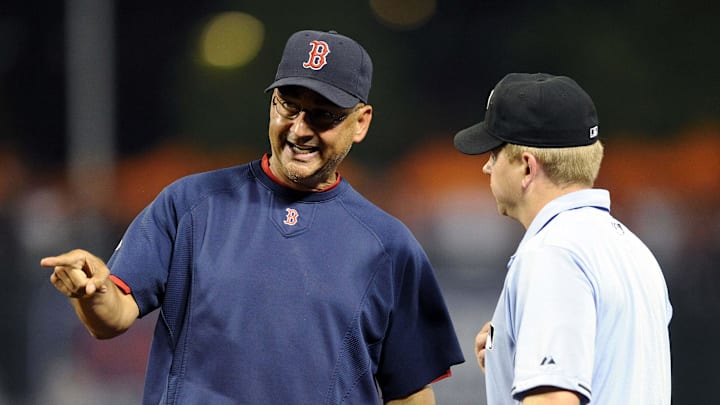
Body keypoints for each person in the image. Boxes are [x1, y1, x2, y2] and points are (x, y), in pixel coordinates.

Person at [41, 30, 464, 404]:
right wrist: (91, 295)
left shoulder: (388, 244)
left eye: (323, 115)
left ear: (361, 122)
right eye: (288, 106)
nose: (299, 129)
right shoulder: (190, 204)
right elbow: (113, 317)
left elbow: (409, 391)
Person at [453, 73, 672, 404]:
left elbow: (554, 399)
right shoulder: (632, 248)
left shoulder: (552, 253)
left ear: (527, 168)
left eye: (494, 154)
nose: (486, 167)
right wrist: (510, 361)